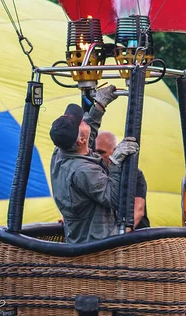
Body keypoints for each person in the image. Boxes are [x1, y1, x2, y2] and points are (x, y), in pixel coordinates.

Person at [49, 85, 139, 243]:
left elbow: (85, 139)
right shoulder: (83, 171)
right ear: (80, 140)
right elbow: (114, 199)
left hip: (80, 240)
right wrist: (115, 162)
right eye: (80, 123)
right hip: (97, 248)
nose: (82, 119)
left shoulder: (60, 154)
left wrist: (99, 106)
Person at [95, 131, 150, 229]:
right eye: (95, 152)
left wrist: (120, 235)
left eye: (101, 152)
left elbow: (138, 211)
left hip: (135, 237)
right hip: (108, 235)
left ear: (115, 151)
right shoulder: (94, 174)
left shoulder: (134, 174)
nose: (98, 157)